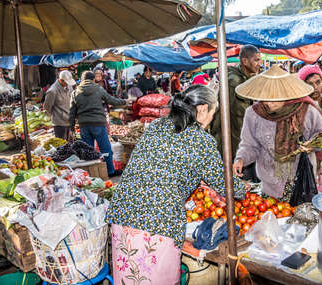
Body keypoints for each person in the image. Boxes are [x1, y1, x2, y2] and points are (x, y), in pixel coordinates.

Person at [106, 84, 245, 285]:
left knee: (130, 277)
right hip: (158, 221)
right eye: (213, 114)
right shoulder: (200, 139)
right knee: (155, 277)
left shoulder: (158, 125)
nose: (212, 120)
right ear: (203, 109)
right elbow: (227, 186)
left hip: (124, 214)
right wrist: (242, 188)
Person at [233, 65, 322, 200]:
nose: (268, 103)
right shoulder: (253, 113)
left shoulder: (306, 110)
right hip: (269, 187)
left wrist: (312, 144)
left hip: (301, 185)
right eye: (265, 97)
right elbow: (250, 145)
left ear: (286, 93)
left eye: (274, 98)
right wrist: (241, 158)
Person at [211, 44, 262, 183]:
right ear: (245, 61)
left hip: (234, 139)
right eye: (256, 60)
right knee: (240, 183)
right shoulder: (235, 81)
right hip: (233, 141)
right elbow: (242, 119)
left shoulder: (245, 78)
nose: (260, 64)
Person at [69, 71, 127, 176]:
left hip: (84, 125)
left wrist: (71, 128)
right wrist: (124, 101)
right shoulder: (98, 89)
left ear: (82, 80)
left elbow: (71, 112)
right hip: (98, 124)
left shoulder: (75, 92)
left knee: (87, 151)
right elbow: (111, 100)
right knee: (105, 148)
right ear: (93, 79)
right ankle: (110, 171)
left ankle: (90, 175)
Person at [43, 70, 76, 140]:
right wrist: (54, 116)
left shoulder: (69, 87)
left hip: (69, 120)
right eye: (66, 82)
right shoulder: (52, 91)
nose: (68, 84)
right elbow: (47, 107)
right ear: (61, 80)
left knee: (70, 143)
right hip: (59, 123)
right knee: (62, 145)